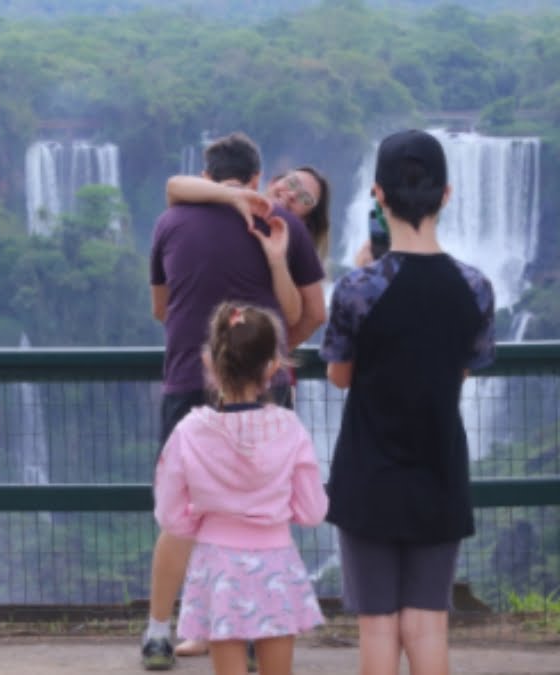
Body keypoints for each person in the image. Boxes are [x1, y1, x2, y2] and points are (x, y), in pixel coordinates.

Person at [143, 131, 325, 670]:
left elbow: (161, 308)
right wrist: (267, 357)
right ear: (256, 178)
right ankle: (252, 622)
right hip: (266, 389)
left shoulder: (169, 222)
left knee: (182, 517)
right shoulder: (283, 224)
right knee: (259, 507)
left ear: (208, 172)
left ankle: (160, 629)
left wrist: (221, 353)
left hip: (185, 378)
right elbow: (313, 311)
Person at [319, 129, 496, 675]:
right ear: (445, 195)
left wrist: (364, 268)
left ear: (378, 195)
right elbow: (463, 367)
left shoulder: (357, 288)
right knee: (427, 624)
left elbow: (340, 377)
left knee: (378, 625)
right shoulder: (476, 287)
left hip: (368, 474)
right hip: (439, 471)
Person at [153, 301, 328, 675]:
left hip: (217, 567)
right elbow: (313, 511)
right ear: (273, 367)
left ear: (210, 364)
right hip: (277, 563)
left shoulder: (190, 432)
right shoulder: (289, 428)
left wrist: (204, 520)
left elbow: (171, 515)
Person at [166, 164, 330, 352]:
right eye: (292, 182)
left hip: (251, 365)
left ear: (305, 220)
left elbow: (313, 314)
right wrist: (235, 196)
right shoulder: (232, 210)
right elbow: (174, 185)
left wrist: (273, 350)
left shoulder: (293, 244)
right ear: (273, 182)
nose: (292, 194)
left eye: (305, 198)